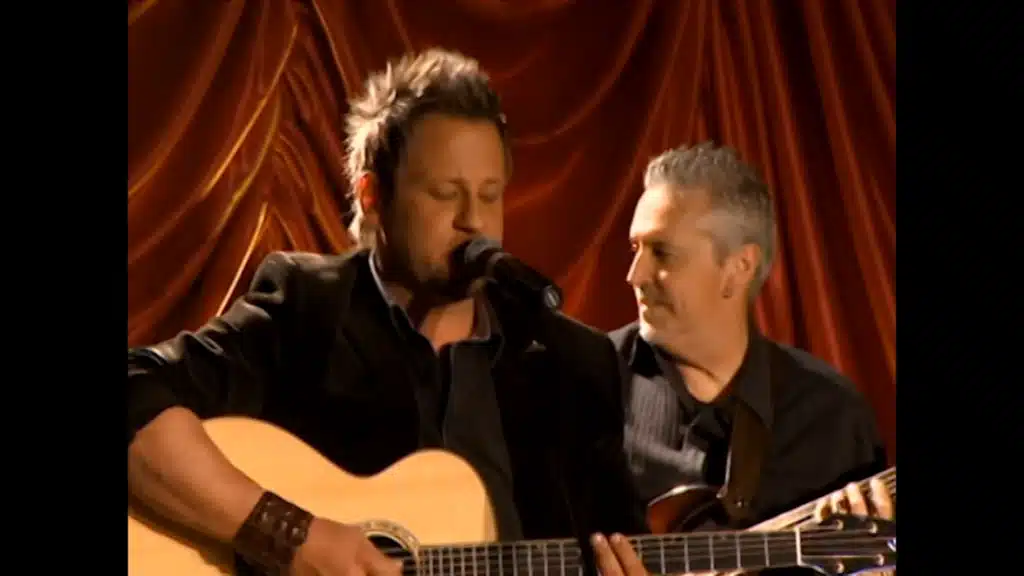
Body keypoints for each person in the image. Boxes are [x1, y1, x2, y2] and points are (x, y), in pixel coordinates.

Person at [127, 48, 647, 576]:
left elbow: (623, 545)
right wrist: (290, 537)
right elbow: (135, 392)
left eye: (490, 196)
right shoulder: (309, 309)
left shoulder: (572, 364)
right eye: (445, 193)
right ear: (373, 194)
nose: (474, 221)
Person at [593, 142, 894, 576]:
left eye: (662, 252)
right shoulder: (586, 381)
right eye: (635, 248)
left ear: (739, 267)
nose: (634, 275)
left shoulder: (834, 418)